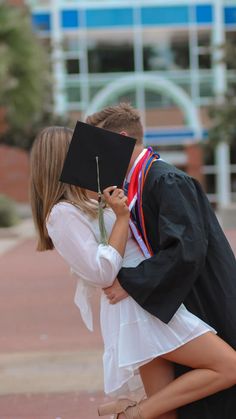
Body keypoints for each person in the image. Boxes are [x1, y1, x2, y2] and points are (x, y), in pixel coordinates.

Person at [29, 124, 236, 419]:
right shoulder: (61, 214)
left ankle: (129, 411)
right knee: (228, 366)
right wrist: (123, 217)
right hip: (136, 306)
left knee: (167, 410)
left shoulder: (88, 202)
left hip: (144, 299)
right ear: (62, 158)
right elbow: (101, 272)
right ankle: (131, 414)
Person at [85, 103, 236, 419]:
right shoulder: (138, 183)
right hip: (172, 298)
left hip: (203, 294)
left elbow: (186, 250)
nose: (95, 155)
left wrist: (128, 281)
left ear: (123, 138)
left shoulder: (165, 179)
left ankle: (132, 412)